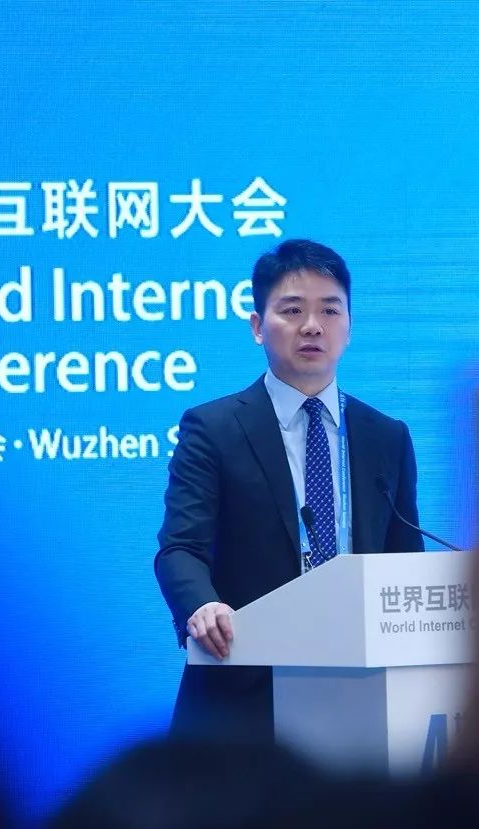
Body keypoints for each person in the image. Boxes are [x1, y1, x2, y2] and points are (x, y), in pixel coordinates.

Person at [154, 239, 425, 742]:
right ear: (258, 326)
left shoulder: (386, 436)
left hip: (364, 691)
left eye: (330, 310)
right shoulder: (213, 429)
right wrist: (201, 606)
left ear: (349, 326)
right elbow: (180, 548)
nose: (312, 326)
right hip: (244, 694)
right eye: (293, 310)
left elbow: (404, 559)